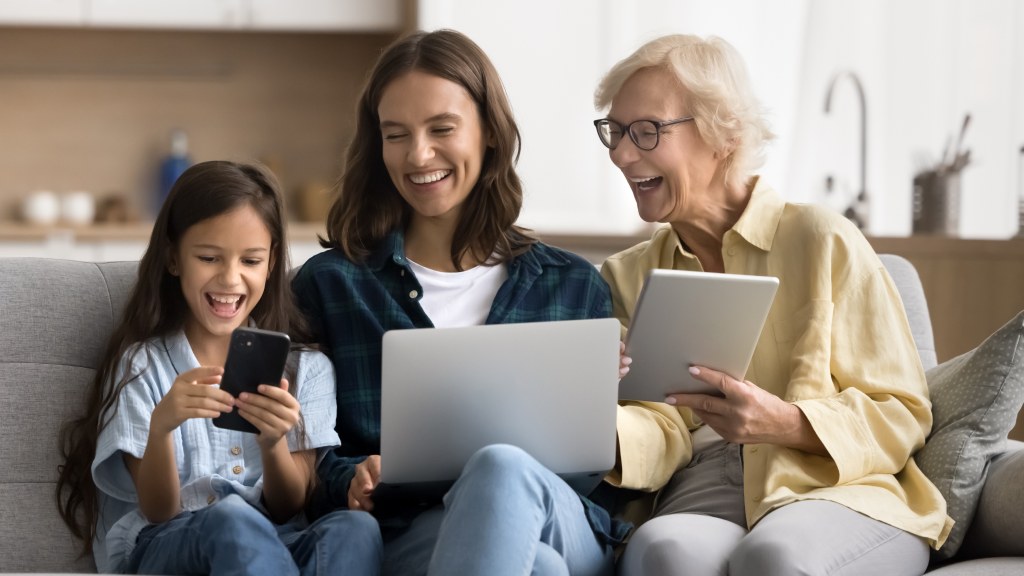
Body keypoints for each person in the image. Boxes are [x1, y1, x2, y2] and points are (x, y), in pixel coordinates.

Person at [591, 35, 953, 576]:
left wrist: (785, 422)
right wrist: (593, 414)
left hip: (835, 489)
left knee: (776, 557)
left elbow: (901, 411)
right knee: (661, 552)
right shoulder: (625, 275)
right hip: (705, 484)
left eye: (646, 131)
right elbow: (659, 426)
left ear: (723, 136)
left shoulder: (821, 239)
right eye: (614, 132)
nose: (621, 154)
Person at [291, 29, 629, 576]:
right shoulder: (332, 286)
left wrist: (594, 403)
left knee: (500, 468)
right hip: (413, 531)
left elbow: (593, 469)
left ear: (489, 132)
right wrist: (351, 476)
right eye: (395, 134)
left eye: (441, 129)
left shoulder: (572, 284)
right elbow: (307, 461)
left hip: (561, 520)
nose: (418, 154)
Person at [55, 160, 382, 575]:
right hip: (171, 542)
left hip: (274, 540)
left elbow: (288, 506)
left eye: (250, 261)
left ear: (272, 262)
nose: (230, 279)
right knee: (232, 518)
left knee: (356, 529)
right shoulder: (143, 364)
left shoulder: (308, 369)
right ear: (174, 258)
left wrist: (272, 441)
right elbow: (158, 510)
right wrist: (161, 428)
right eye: (209, 257)